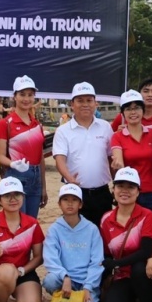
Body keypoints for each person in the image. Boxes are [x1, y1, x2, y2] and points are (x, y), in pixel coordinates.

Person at [99, 167, 152, 302]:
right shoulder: (106, 219)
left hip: (146, 273)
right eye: (120, 186)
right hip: (122, 275)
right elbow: (105, 252)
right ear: (113, 190)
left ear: (138, 192)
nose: (125, 191)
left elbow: (145, 251)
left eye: (131, 187)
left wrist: (116, 263)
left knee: (139, 267)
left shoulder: (147, 215)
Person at [42, 184, 105, 302]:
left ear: (80, 204)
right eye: (65, 199)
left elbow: (97, 261)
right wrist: (65, 276)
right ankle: (61, 300)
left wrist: (88, 287)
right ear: (59, 204)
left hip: (85, 282)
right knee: (50, 281)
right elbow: (51, 259)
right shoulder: (55, 229)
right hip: (64, 281)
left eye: (74, 200)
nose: (70, 203)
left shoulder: (91, 229)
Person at [52, 82, 114, 226]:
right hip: (75, 194)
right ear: (72, 104)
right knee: (76, 234)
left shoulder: (105, 127)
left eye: (89, 100)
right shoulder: (63, 131)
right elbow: (60, 159)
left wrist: (116, 183)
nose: (85, 104)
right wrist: (69, 178)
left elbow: (111, 157)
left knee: (102, 234)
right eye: (80, 100)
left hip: (102, 193)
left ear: (95, 103)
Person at [0, 75, 48, 218]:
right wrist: (13, 163)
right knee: (18, 222)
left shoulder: (37, 125)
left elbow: (40, 157)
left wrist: (43, 186)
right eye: (22, 94)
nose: (26, 99)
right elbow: (0, 156)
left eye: (30, 95)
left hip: (35, 178)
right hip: (15, 176)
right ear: (15, 97)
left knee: (31, 222)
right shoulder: (5, 123)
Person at [111, 90, 152, 222]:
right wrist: (117, 166)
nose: (133, 112)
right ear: (123, 113)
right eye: (128, 109)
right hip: (129, 194)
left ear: (143, 110)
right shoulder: (117, 136)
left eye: (137, 108)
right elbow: (119, 164)